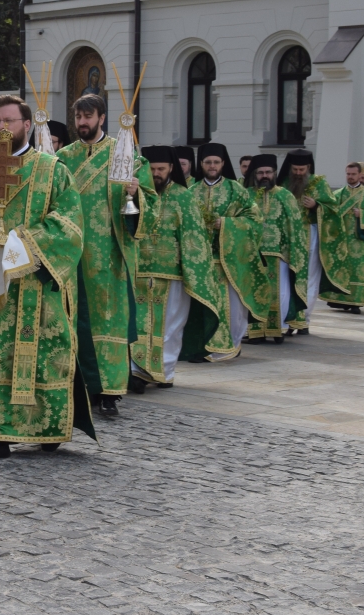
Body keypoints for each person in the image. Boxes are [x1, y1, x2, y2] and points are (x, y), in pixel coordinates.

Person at [0, 94, 84, 462]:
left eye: (9, 120)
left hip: (36, 285)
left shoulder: (53, 170)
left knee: (40, 358)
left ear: (27, 124)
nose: (2, 128)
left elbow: (68, 225)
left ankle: (44, 428)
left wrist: (18, 247)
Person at [55, 93, 148, 419]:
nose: (82, 123)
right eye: (78, 117)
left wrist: (136, 193)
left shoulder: (123, 155)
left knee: (108, 323)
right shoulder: (63, 157)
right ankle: (77, 387)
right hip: (71, 254)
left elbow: (146, 208)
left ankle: (109, 392)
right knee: (72, 322)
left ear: (102, 118)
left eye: (88, 117)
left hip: (108, 257)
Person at [128, 147, 232, 389]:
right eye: (151, 169)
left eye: (161, 169)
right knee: (140, 324)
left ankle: (165, 371)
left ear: (171, 169)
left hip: (172, 273)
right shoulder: (137, 194)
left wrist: (194, 274)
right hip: (139, 270)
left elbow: (194, 237)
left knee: (171, 326)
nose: (156, 174)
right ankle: (137, 371)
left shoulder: (183, 197)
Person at [189, 144, 265, 356]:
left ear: (223, 164)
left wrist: (226, 224)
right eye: (207, 162)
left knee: (233, 306)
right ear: (201, 165)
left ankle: (232, 343)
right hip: (200, 260)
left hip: (230, 259)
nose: (212, 166)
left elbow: (255, 220)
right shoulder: (191, 192)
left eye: (216, 162)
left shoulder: (236, 190)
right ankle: (202, 346)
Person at [246, 155, 309, 340]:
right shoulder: (247, 195)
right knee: (253, 292)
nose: (264, 176)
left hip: (279, 254)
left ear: (274, 173)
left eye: (268, 172)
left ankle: (277, 330)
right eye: (260, 172)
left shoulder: (285, 195)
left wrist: (293, 253)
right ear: (255, 174)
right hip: (252, 253)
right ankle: (254, 332)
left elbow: (295, 227)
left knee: (279, 293)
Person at [318, 162, 364, 315]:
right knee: (341, 269)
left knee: (356, 271)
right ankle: (338, 299)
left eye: (353, 174)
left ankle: (355, 302)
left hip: (359, 241)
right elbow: (328, 212)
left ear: (359, 175)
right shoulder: (337, 194)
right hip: (341, 240)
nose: (350, 177)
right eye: (348, 174)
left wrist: (363, 214)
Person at [284, 149, 331, 329]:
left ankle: (304, 320)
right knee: (289, 279)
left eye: (301, 170)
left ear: (308, 167)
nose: (298, 173)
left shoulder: (319, 184)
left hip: (310, 237)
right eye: (295, 169)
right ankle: (287, 318)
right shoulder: (284, 184)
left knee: (310, 278)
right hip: (288, 238)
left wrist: (317, 205)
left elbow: (334, 209)